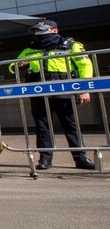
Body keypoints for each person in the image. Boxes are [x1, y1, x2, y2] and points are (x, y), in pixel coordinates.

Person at [10, 19, 95, 170]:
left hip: (63, 90)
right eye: (37, 31)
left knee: (70, 126)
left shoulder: (70, 45)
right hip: (39, 92)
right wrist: (18, 65)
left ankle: (80, 158)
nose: (39, 33)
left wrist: (84, 89)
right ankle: (45, 159)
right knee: (42, 126)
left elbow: (85, 66)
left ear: (55, 30)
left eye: (42, 30)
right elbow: (11, 66)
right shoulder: (30, 48)